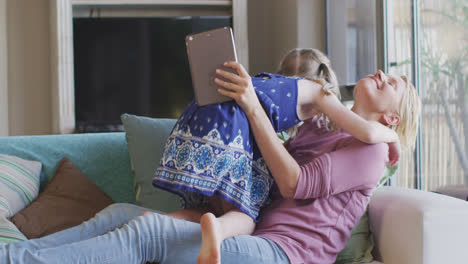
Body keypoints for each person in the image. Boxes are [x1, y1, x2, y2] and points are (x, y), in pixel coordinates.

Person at [0, 60, 420, 264]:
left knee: (148, 232)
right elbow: (268, 175)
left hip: (286, 255)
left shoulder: (373, 152)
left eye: (394, 83)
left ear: (392, 118)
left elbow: (293, 184)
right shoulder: (327, 128)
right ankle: (17, 253)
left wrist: (252, 106)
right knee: (120, 212)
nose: (384, 73)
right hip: (255, 231)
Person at [150, 48, 399, 263]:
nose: (380, 73)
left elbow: (364, 134)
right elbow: (364, 130)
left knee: (215, 213)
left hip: (208, 119)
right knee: (241, 216)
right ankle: (197, 228)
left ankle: (157, 223)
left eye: (393, 83)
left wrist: (391, 137)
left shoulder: (337, 116)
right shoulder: (318, 115)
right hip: (231, 133)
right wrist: (394, 137)